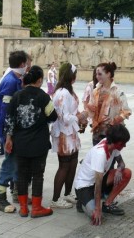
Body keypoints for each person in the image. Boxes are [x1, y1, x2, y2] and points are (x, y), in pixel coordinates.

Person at [4, 65, 58, 218]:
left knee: (21, 175)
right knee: (37, 175)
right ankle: (36, 208)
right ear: (40, 80)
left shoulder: (17, 96)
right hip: (38, 143)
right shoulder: (43, 96)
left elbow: (9, 120)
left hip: (20, 143)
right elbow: (53, 116)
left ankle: (23, 208)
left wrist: (9, 138)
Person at [74, 124, 132, 225]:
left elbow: (121, 163)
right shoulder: (100, 153)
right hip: (84, 186)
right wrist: (97, 209)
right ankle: (82, 202)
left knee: (126, 173)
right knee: (96, 217)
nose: (125, 146)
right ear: (116, 142)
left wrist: (119, 169)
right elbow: (98, 184)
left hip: (99, 180)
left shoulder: (114, 146)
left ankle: (107, 203)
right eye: (123, 143)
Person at [0, 50, 28, 213]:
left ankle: (17, 193)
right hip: (8, 130)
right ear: (22, 64)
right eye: (27, 63)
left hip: (13, 129)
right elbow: (7, 110)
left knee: (16, 162)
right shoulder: (11, 81)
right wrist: (9, 135)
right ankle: (0, 197)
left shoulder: (16, 79)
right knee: (10, 162)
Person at [50, 63, 88, 209]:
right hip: (63, 133)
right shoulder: (63, 93)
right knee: (64, 166)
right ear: (71, 75)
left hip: (71, 133)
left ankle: (66, 194)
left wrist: (79, 119)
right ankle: (55, 199)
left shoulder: (66, 91)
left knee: (72, 164)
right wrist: (80, 116)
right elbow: (65, 117)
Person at [87, 62, 131, 146]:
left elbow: (126, 111)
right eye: (96, 74)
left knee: (110, 157)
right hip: (97, 133)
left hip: (112, 133)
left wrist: (114, 122)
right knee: (98, 156)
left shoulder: (117, 91)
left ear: (108, 74)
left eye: (100, 74)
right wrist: (89, 111)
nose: (97, 76)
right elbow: (91, 109)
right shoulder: (95, 91)